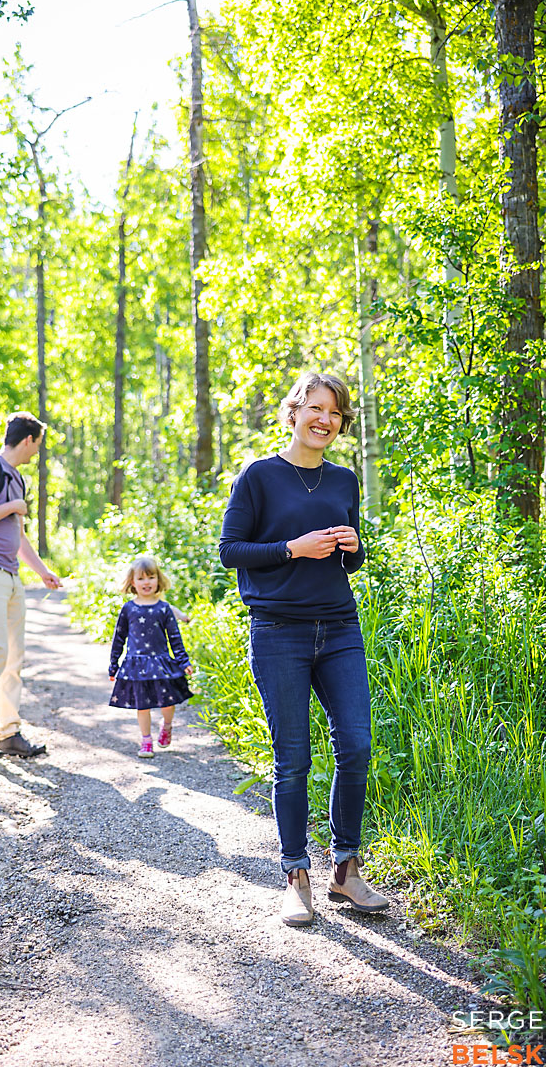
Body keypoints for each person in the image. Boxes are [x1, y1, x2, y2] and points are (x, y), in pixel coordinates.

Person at [219, 371, 389, 925]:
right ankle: (295, 875)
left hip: (339, 629)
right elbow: (230, 551)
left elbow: (350, 561)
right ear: (294, 412)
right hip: (277, 632)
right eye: (316, 408)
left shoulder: (344, 480)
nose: (325, 420)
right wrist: (292, 548)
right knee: (292, 759)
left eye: (335, 413)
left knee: (356, 747)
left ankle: (345, 869)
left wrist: (354, 546)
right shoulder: (259, 476)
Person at [0, 411, 62, 761]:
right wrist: (11, 507)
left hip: (10, 576)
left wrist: (43, 572)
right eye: (38, 445)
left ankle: (9, 733)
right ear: (28, 440)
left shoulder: (17, 479)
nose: (37, 452)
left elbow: (18, 537)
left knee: (14, 658)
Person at [109, 556, 193, 758]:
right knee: (142, 705)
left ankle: (167, 725)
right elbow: (119, 638)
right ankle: (146, 740)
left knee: (168, 703)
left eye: (151, 577)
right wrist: (114, 664)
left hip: (160, 662)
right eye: (141, 578)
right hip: (136, 665)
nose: (146, 582)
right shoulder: (128, 609)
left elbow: (175, 637)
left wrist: (183, 661)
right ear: (132, 582)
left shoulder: (163, 608)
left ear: (158, 579)